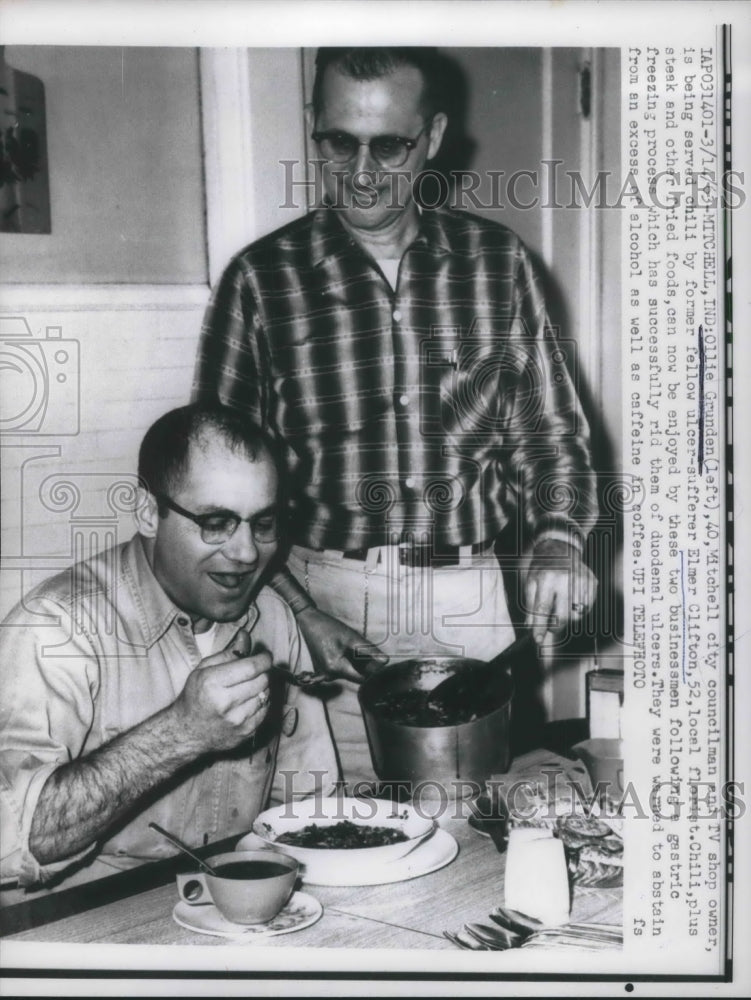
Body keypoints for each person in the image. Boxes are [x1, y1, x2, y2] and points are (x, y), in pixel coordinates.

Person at [193, 47, 599, 789]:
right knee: (328, 824)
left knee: (473, 827)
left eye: (390, 145)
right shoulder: (261, 281)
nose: (363, 170)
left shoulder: (497, 264)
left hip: (468, 599)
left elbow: (552, 438)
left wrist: (556, 540)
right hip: (318, 608)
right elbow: (213, 488)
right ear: (315, 129)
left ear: (433, 137)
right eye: (339, 141)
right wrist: (294, 610)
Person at [0, 402, 337, 894]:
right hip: (91, 928)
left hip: (236, 914)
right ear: (147, 512)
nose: (246, 553)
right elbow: (14, 836)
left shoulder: (274, 617)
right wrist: (181, 733)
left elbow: (312, 807)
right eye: (216, 522)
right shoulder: (56, 627)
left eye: (263, 523)